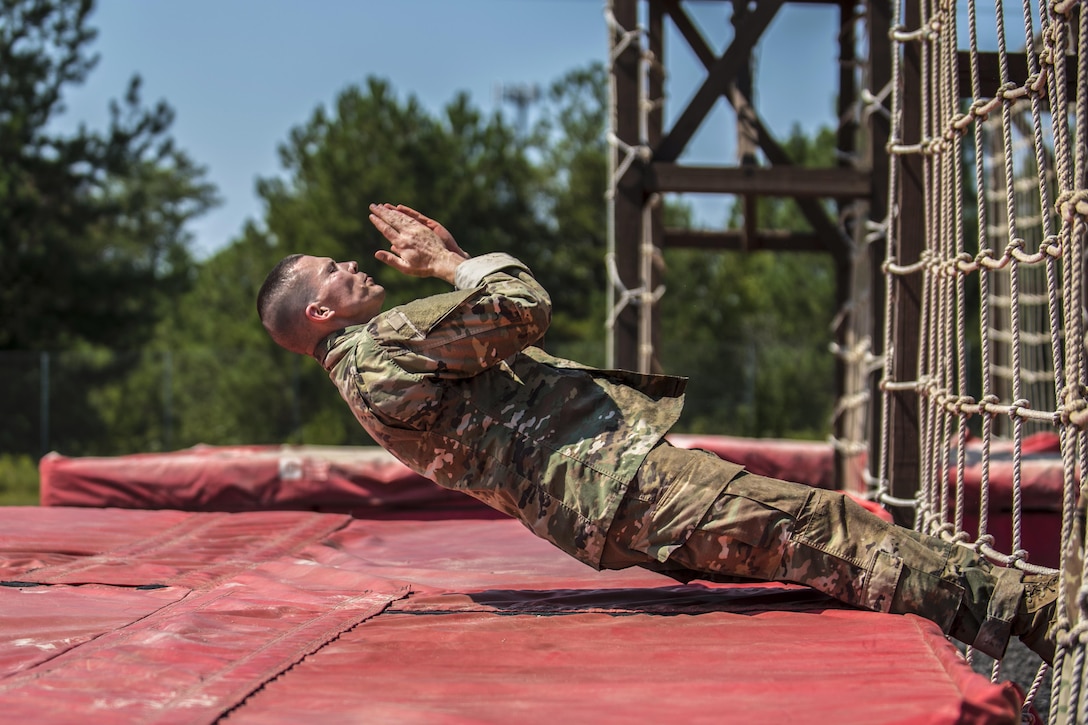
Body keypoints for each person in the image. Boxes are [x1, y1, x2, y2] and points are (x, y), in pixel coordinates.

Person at [257, 203, 1059, 664]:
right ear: (319, 313)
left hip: (604, 505)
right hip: (620, 485)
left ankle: (1018, 606)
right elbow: (521, 306)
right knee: (824, 530)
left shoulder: (360, 373)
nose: (354, 267)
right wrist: (449, 262)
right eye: (334, 270)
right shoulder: (384, 344)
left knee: (816, 547)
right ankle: (1041, 612)